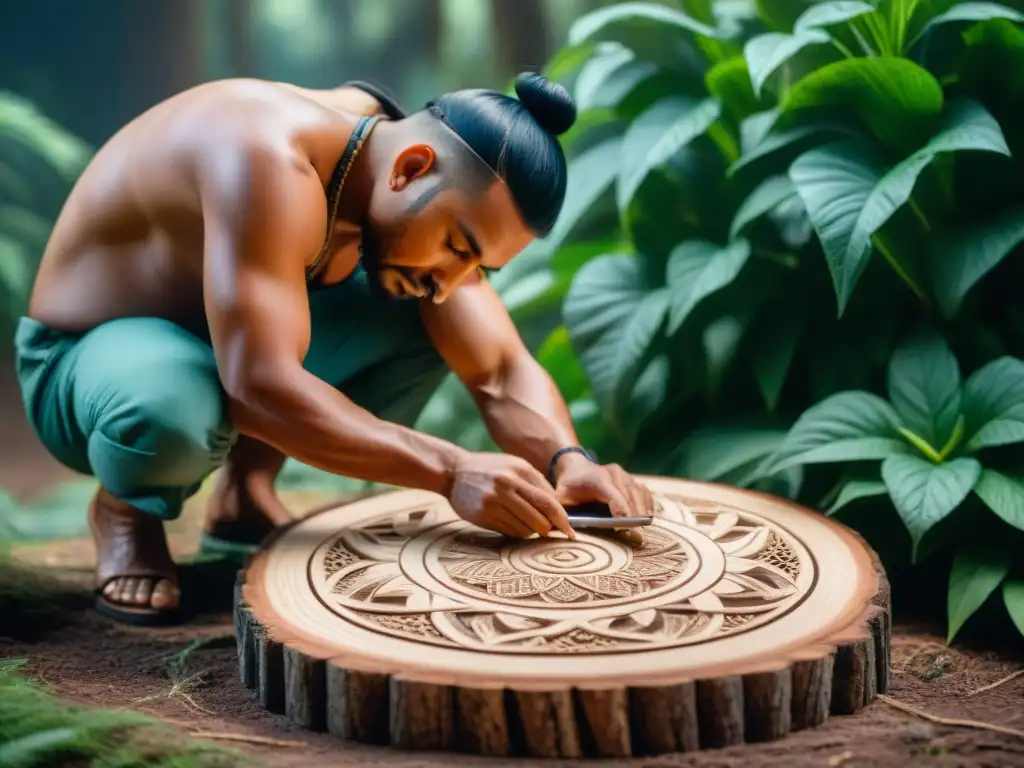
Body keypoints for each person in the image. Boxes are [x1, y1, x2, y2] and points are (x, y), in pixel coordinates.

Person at [14, 72, 656, 626]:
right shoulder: (262, 154)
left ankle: (243, 493)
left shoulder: (391, 162)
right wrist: (452, 469)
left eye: (477, 266)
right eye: (459, 249)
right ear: (411, 170)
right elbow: (258, 385)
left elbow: (499, 368)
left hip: (222, 347)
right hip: (86, 360)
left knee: (421, 317)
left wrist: (568, 458)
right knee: (176, 404)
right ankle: (126, 513)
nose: (451, 284)